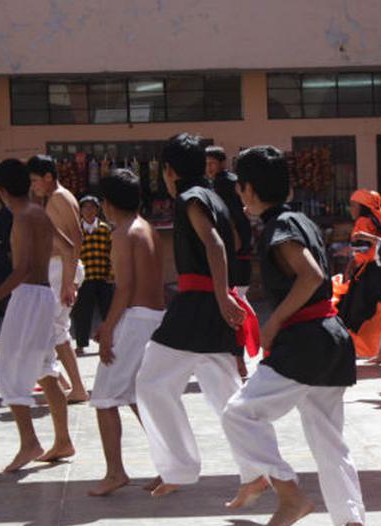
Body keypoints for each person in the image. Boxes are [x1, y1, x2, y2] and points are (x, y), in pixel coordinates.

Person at [220, 145, 369, 526]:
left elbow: (311, 275)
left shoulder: (279, 226)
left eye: (240, 188)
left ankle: (288, 493)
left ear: (249, 189)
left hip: (305, 340)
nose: (240, 196)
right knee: (328, 440)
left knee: (239, 413)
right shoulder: (299, 218)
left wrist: (274, 322)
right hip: (328, 338)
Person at [133, 133, 253, 498]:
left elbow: (217, 244)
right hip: (211, 305)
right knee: (228, 397)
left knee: (151, 383)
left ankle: (180, 467)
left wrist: (220, 295)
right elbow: (232, 241)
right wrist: (224, 296)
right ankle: (259, 469)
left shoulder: (190, 198)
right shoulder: (215, 196)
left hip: (196, 304)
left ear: (168, 171)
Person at [0, 159, 73, 473]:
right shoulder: (38, 212)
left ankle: (30, 443)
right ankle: (63, 439)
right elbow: (68, 247)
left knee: (8, 372)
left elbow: (24, 269)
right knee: (44, 368)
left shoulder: (24, 217)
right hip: (43, 296)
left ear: (0, 190)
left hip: (28, 297)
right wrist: (69, 282)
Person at [87, 170, 166, 497]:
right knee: (137, 396)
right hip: (153, 317)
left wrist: (107, 330)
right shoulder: (148, 229)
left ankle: (115, 472)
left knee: (104, 399)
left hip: (134, 320)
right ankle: (169, 466)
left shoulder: (122, 233)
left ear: (106, 202)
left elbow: (125, 288)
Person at [27, 154, 89, 404]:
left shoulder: (60, 197)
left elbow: (76, 239)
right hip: (57, 269)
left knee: (55, 329)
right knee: (51, 329)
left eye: (35, 180)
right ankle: (65, 382)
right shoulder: (53, 198)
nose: (33, 185)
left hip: (62, 269)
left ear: (48, 177)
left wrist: (67, 282)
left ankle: (75, 386)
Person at [206, 145, 255, 377]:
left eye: (211, 163)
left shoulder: (221, 183)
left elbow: (230, 217)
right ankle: (237, 359)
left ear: (222, 163)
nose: (208, 168)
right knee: (238, 304)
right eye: (206, 164)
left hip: (235, 252)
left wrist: (231, 243)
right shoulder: (234, 181)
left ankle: (238, 360)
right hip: (240, 250)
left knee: (234, 307)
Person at [336, 189, 381, 361]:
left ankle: (369, 349)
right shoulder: (378, 220)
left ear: (362, 207)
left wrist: (344, 252)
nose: (350, 208)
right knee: (380, 312)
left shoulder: (363, 221)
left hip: (370, 274)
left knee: (358, 312)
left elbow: (361, 249)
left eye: (353, 205)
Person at [72, 196, 115, 356]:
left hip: (104, 276)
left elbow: (112, 252)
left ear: (97, 210)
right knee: (82, 312)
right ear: (80, 211)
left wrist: (112, 272)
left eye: (92, 208)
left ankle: (111, 341)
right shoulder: (76, 230)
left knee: (108, 311)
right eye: (85, 208)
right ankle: (81, 344)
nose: (88, 211)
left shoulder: (105, 229)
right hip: (85, 278)